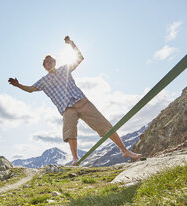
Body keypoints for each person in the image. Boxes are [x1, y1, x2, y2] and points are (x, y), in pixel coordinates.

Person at [8, 36, 142, 166]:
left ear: (55, 62)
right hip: (67, 108)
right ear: (44, 67)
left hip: (81, 101)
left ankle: (125, 151)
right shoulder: (43, 80)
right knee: (70, 132)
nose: (49, 62)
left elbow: (80, 58)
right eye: (46, 62)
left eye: (51, 60)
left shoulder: (64, 69)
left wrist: (71, 44)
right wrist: (18, 85)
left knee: (104, 124)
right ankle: (75, 158)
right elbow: (31, 89)